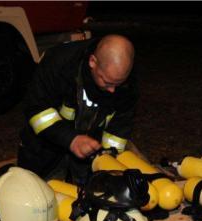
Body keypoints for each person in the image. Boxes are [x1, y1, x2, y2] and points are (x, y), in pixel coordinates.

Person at [18, 34, 139, 186]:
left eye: (118, 83)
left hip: (89, 153)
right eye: (107, 82)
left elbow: (119, 129)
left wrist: (108, 159)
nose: (112, 90)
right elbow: (36, 109)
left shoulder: (127, 82)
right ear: (92, 61)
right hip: (45, 146)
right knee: (34, 189)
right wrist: (71, 139)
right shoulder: (59, 63)